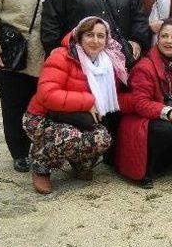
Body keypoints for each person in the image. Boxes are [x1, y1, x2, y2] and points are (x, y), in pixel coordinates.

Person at [22, 17, 131, 194]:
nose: (95, 41)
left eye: (100, 36)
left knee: (102, 138)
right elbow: (46, 94)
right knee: (70, 136)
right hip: (43, 116)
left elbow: (117, 96)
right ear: (79, 36)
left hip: (79, 117)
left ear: (106, 39)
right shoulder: (62, 56)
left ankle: (78, 160)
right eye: (89, 35)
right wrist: (87, 102)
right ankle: (41, 163)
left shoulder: (107, 63)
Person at [0, 0, 58, 172]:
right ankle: (19, 152)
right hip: (12, 50)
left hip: (42, 50)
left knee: (40, 102)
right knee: (14, 104)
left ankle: (40, 147)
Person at [115, 19, 172, 189]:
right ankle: (145, 169)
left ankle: (160, 162)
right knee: (164, 130)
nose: (169, 41)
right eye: (164, 36)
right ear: (158, 39)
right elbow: (140, 103)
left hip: (166, 115)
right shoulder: (145, 67)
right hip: (141, 119)